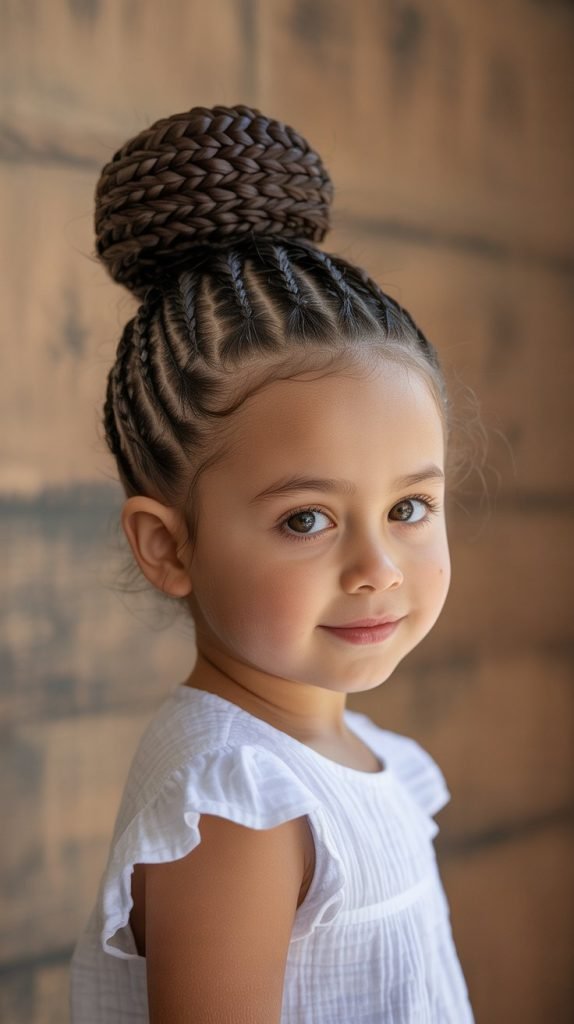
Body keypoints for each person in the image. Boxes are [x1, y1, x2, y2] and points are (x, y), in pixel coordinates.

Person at [70, 103, 475, 1023]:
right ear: (169, 546)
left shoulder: (351, 759)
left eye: (409, 508)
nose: (378, 566)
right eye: (307, 519)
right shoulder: (239, 804)